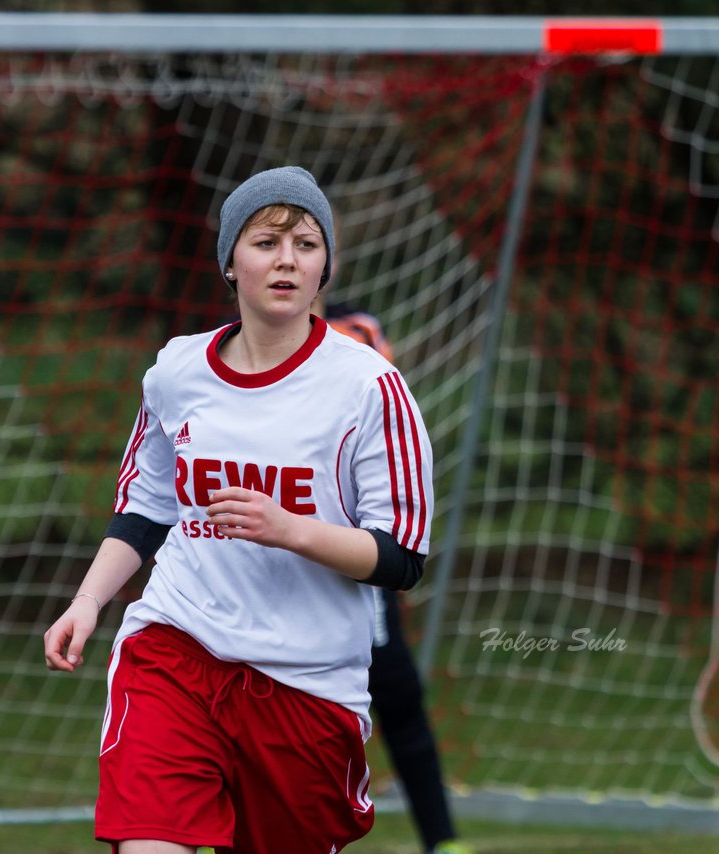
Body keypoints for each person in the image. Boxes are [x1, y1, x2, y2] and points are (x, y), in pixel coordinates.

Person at [43, 165, 435, 854]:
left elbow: (403, 558)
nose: (287, 259)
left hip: (305, 684)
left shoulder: (370, 387)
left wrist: (293, 531)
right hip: (177, 649)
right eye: (266, 241)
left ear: (326, 269)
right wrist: (86, 601)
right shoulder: (177, 372)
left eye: (307, 244)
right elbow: (144, 506)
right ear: (230, 260)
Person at [325, 302, 472, 854]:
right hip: (275, 570)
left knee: (397, 694)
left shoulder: (357, 337)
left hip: (359, 567)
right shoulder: (233, 354)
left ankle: (442, 840)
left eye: (308, 246)